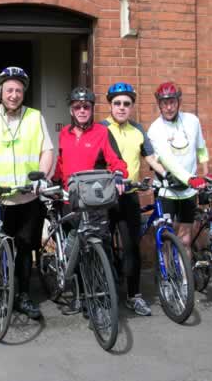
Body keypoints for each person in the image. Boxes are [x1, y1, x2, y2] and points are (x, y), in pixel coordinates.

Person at [0, 66, 54, 319]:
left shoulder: (35, 116)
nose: (14, 94)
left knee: (24, 250)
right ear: (1, 91)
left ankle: (22, 295)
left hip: (27, 196)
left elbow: (47, 150)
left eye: (19, 90)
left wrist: (41, 176)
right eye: (9, 89)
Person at [52, 86, 128, 314]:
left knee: (98, 247)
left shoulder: (102, 132)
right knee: (73, 247)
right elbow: (61, 163)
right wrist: (52, 181)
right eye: (78, 107)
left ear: (92, 109)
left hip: (94, 200)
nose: (82, 110)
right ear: (71, 110)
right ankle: (80, 296)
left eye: (86, 106)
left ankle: (103, 297)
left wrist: (119, 175)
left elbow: (117, 161)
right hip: (69, 198)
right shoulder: (64, 132)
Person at [101, 82, 167, 316]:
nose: (121, 108)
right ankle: (103, 292)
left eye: (126, 104)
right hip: (104, 198)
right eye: (117, 103)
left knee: (132, 248)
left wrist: (166, 174)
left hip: (129, 197)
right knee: (102, 246)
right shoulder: (101, 128)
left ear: (131, 107)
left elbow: (150, 158)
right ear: (110, 105)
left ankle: (133, 295)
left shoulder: (138, 129)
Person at [147, 82, 211, 255]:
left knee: (186, 239)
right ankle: (168, 279)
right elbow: (168, 161)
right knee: (167, 239)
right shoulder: (155, 129)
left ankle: (186, 280)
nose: (169, 107)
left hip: (189, 191)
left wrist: (206, 173)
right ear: (159, 104)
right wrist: (190, 178)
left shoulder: (192, 121)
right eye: (164, 103)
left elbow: (201, 147)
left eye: (172, 102)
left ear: (178, 102)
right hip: (166, 190)